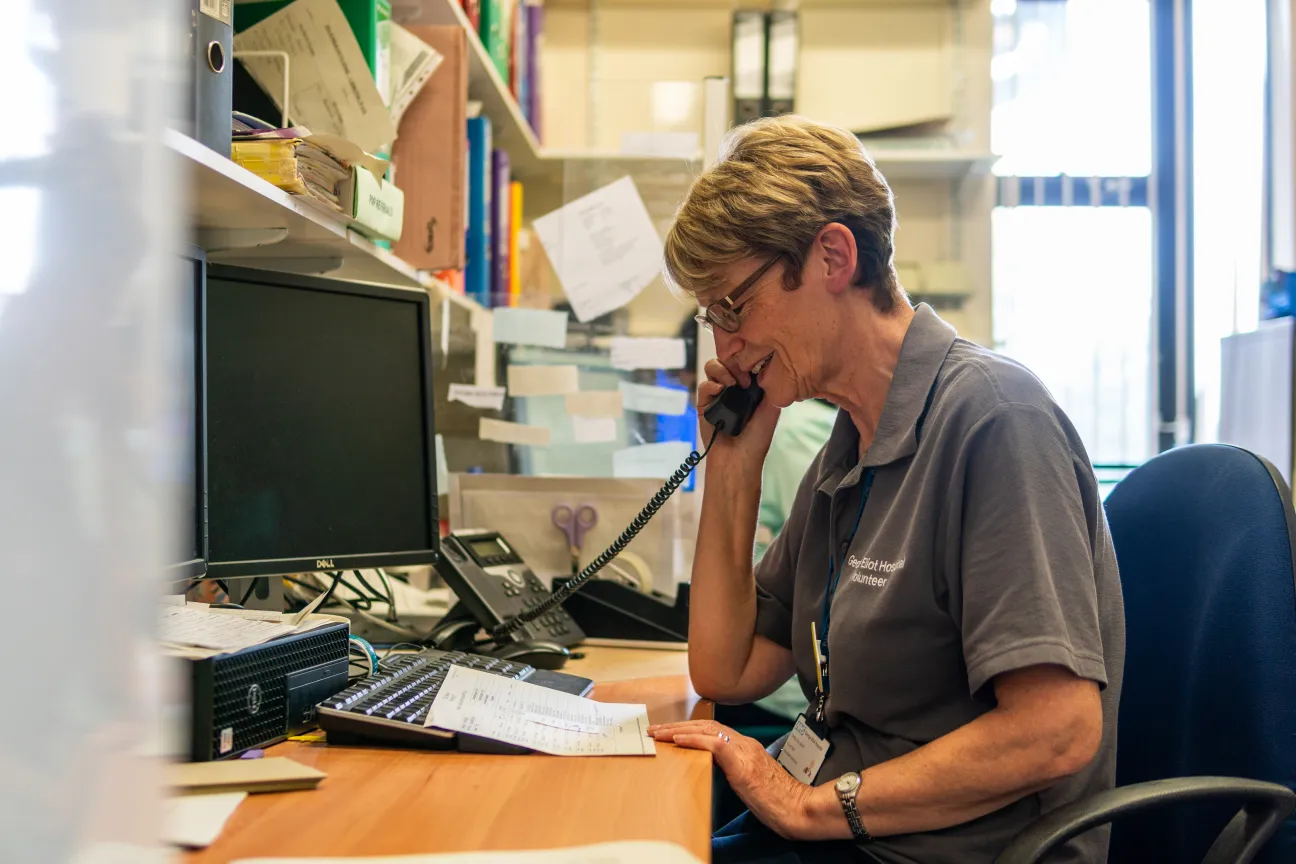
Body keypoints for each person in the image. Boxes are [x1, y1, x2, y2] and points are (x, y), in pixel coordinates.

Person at [646, 115, 1125, 864]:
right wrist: (733, 465)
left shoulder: (996, 419)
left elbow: (1057, 729)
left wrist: (806, 807)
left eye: (733, 309)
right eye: (712, 318)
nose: (725, 346)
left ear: (834, 255)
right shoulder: (850, 449)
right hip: (848, 832)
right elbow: (727, 668)